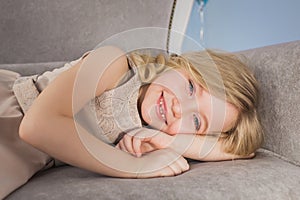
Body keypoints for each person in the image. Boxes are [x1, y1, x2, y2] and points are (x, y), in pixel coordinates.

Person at [0, 46, 263, 198]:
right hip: (11, 112)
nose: (178, 107)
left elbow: (241, 149)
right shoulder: (114, 64)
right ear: (177, 64)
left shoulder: (147, 135)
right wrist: (135, 167)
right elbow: (36, 126)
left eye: (196, 122)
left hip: (30, 158)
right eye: (192, 88)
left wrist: (172, 140)